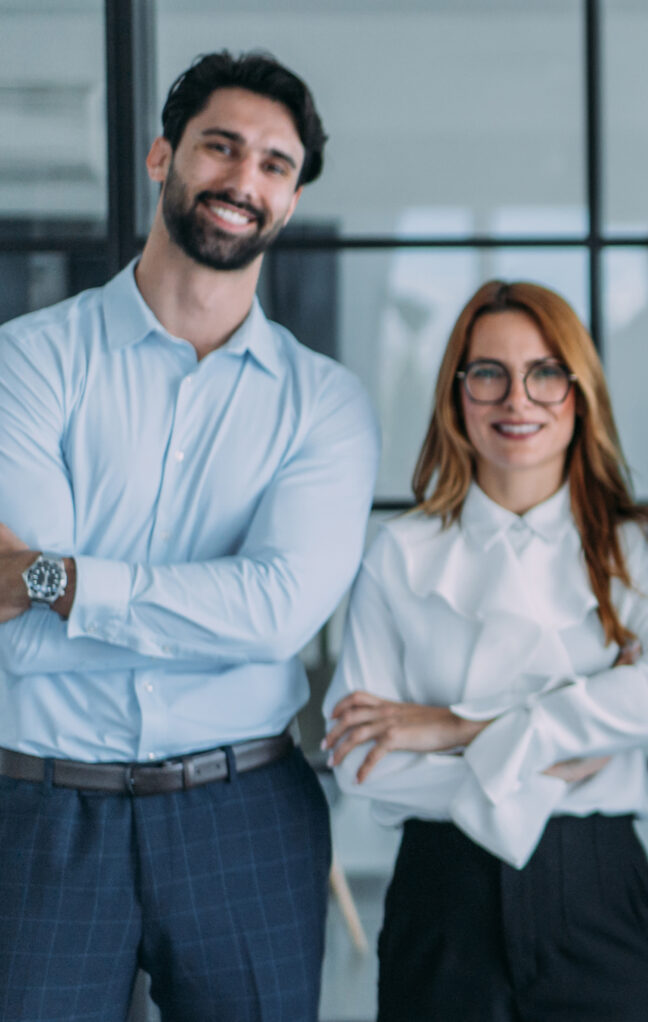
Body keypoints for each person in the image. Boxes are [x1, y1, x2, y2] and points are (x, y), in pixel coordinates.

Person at [0, 50, 377, 1021]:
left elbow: (274, 615)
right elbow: (17, 631)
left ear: (288, 201)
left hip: (240, 810)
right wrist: (63, 595)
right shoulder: (26, 363)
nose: (243, 181)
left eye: (274, 165)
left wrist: (59, 577)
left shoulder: (324, 406)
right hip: (40, 809)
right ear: (163, 156)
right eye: (222, 147)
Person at [321, 280, 648, 1021]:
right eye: (487, 373)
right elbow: (363, 762)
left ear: (578, 394)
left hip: (598, 891)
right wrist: (570, 748)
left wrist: (451, 727)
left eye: (544, 373)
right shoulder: (399, 553)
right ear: (457, 395)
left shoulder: (633, 545)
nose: (516, 400)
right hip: (443, 893)